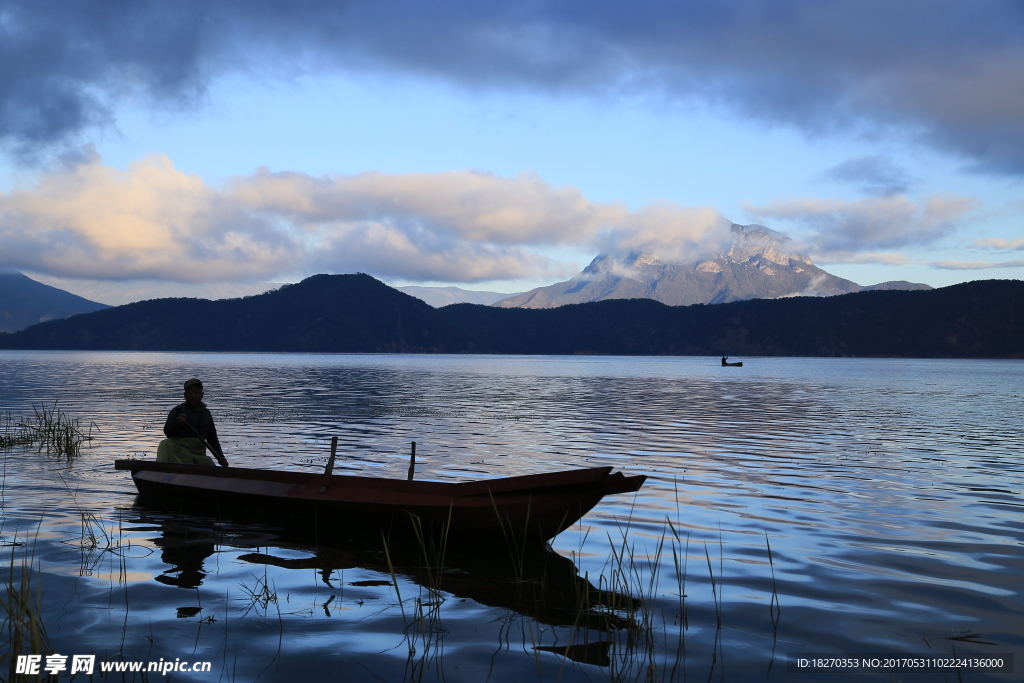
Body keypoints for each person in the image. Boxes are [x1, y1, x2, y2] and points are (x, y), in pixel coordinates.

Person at [156, 378, 224, 466]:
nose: (193, 396)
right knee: (167, 445)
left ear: (202, 395)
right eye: (190, 392)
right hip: (177, 452)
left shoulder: (206, 414)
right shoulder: (177, 411)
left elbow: (212, 438)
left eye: (196, 393)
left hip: (198, 454)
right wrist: (178, 423)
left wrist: (221, 457)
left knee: (212, 469)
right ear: (185, 395)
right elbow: (167, 432)